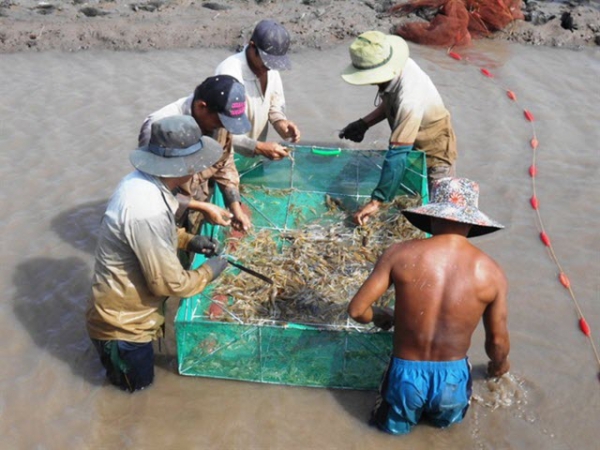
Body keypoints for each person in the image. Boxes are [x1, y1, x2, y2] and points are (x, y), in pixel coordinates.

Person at [347, 177, 510, 435]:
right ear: (471, 222)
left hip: (405, 376)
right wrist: (499, 367)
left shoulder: (400, 254)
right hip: (453, 380)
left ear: (432, 216)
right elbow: (497, 342)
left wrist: (379, 314)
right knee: (441, 435)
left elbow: (357, 310)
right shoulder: (492, 272)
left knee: (385, 434)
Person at [87, 115, 230, 392]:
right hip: (123, 330)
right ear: (186, 166)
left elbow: (145, 238)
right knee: (134, 396)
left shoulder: (141, 183)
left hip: (127, 316)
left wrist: (189, 241)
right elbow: (169, 283)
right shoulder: (146, 208)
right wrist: (209, 270)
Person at [339, 30, 458, 225]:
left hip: (435, 148)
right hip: (412, 142)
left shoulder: (409, 98)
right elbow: (390, 103)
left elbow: (397, 155)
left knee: (440, 211)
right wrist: (364, 124)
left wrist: (377, 201)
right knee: (409, 199)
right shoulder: (396, 68)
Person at [139, 74, 253, 233]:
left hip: (198, 203)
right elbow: (152, 189)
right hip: (164, 215)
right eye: (220, 122)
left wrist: (235, 207)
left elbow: (224, 164)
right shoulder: (160, 127)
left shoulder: (220, 124)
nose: (223, 128)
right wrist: (202, 207)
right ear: (201, 106)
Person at [215, 19, 301, 170]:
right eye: (266, 62)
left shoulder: (270, 69)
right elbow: (221, 132)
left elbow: (274, 107)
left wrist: (282, 125)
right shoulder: (229, 74)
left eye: (273, 63)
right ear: (252, 46)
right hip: (227, 165)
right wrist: (260, 147)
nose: (269, 67)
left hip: (254, 161)